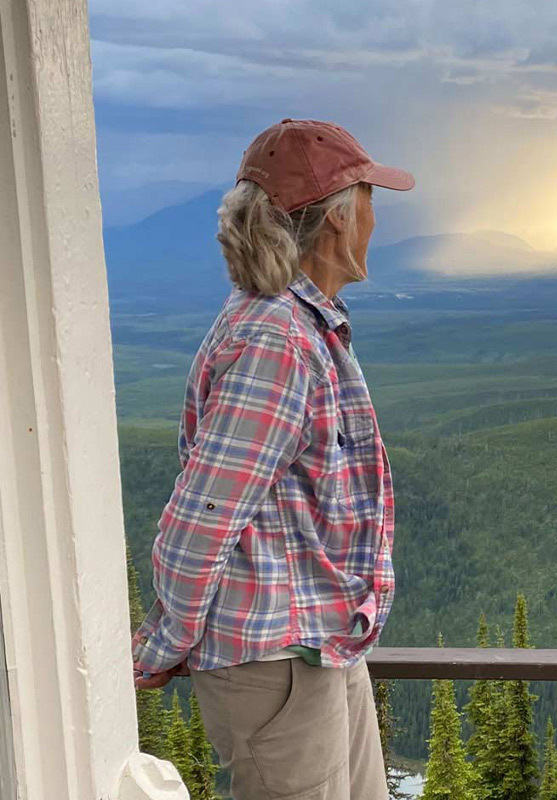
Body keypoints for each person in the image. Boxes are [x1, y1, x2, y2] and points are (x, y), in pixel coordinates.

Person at [131, 118, 414, 800]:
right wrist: (165, 643)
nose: (379, 218)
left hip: (319, 644)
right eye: (372, 198)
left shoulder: (299, 325)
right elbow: (202, 516)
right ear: (340, 220)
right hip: (274, 662)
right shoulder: (276, 339)